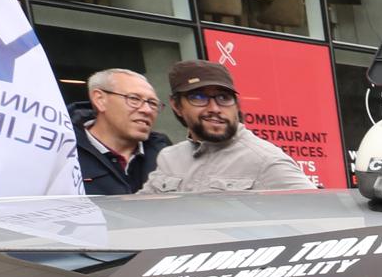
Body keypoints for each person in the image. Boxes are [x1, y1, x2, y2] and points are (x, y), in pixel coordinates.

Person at [142, 61, 316, 193]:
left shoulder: (265, 161)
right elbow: (140, 213)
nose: (214, 108)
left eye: (223, 98)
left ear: (237, 104)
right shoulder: (169, 158)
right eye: (199, 97)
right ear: (177, 106)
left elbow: (320, 216)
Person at [74, 68, 167, 196]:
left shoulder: (164, 154)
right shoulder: (66, 154)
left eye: (152, 103)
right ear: (100, 99)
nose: (147, 110)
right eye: (134, 99)